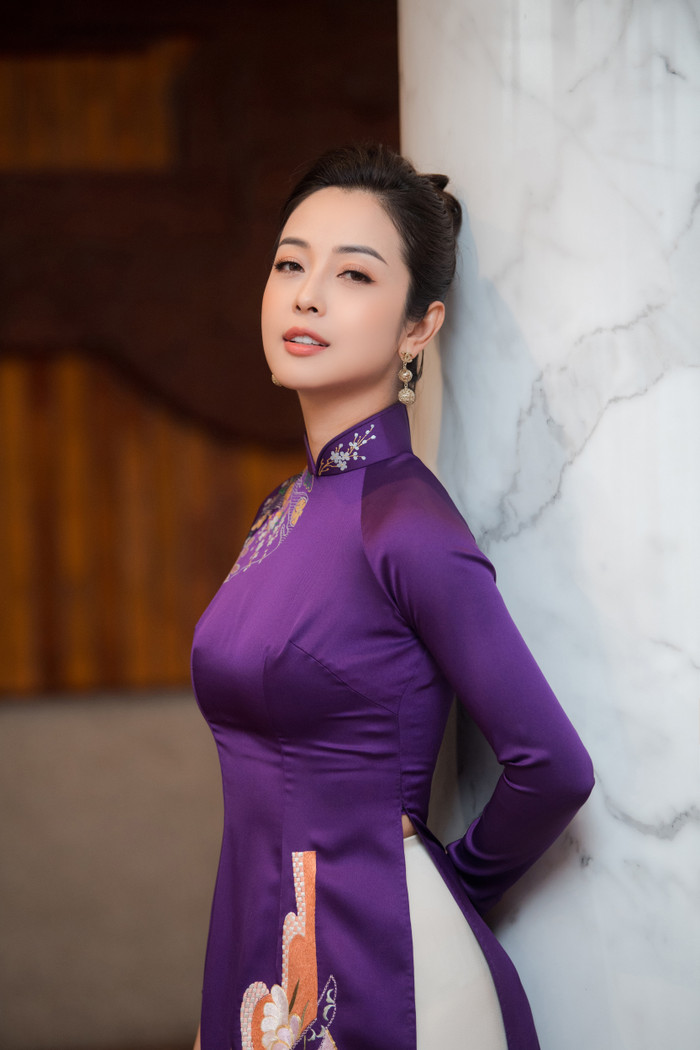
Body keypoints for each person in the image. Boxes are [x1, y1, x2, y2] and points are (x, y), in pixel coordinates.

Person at [190, 144, 594, 1050]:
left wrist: (434, 891)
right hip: (255, 937)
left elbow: (553, 764)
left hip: (384, 964)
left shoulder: (404, 521)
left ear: (419, 327)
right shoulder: (284, 509)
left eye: (354, 274)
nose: (306, 296)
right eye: (290, 265)